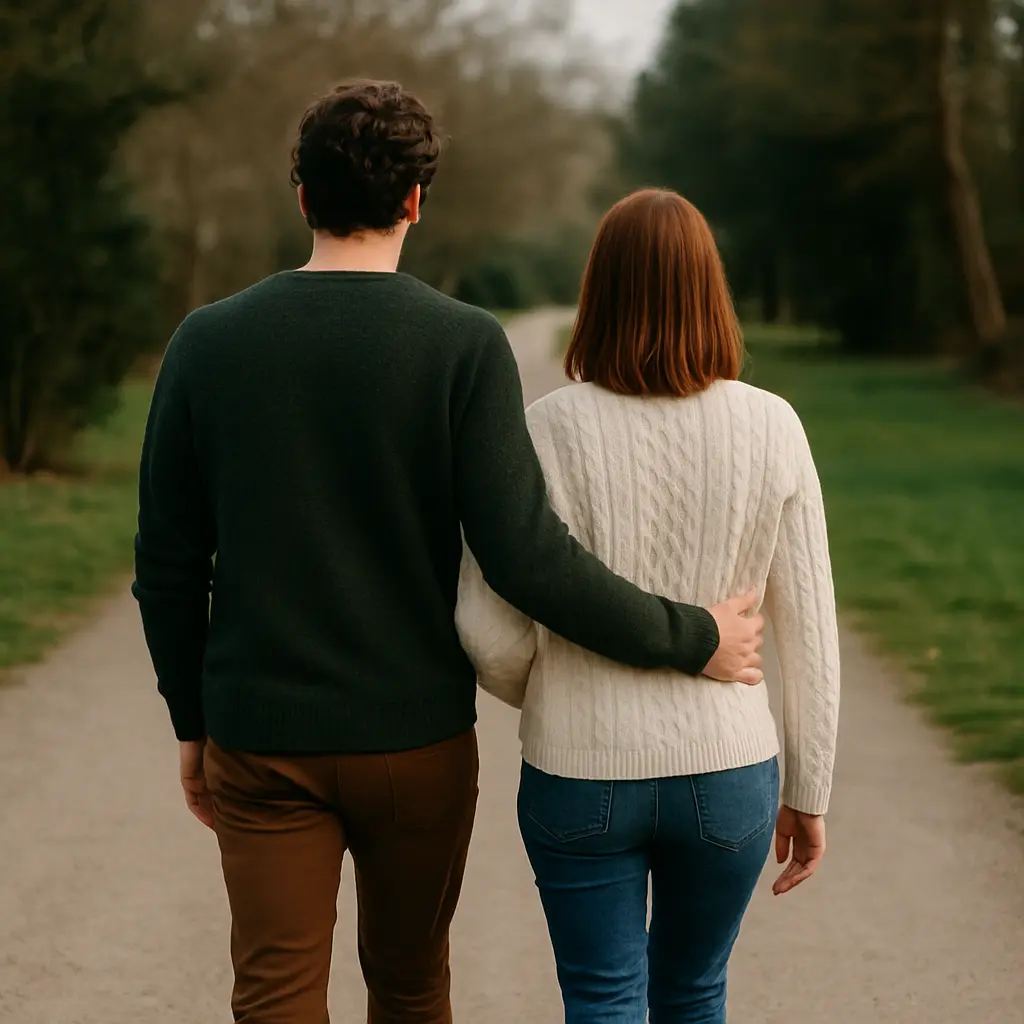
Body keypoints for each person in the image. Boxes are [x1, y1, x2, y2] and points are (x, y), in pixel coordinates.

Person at [132, 84, 766, 1024]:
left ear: (301, 195)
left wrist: (191, 719)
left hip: (260, 736)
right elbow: (527, 558)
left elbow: (170, 565)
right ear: (416, 201)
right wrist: (691, 636)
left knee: (273, 995)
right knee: (411, 985)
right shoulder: (463, 345)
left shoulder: (206, 343)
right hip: (416, 742)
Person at [456, 188, 841, 1024]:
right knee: (696, 991)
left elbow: (486, 631)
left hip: (578, 769)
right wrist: (809, 790)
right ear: (712, 291)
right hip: (729, 771)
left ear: (599, 293)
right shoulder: (774, 426)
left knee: (601, 995)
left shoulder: (544, 429)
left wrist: (554, 681)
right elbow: (810, 632)